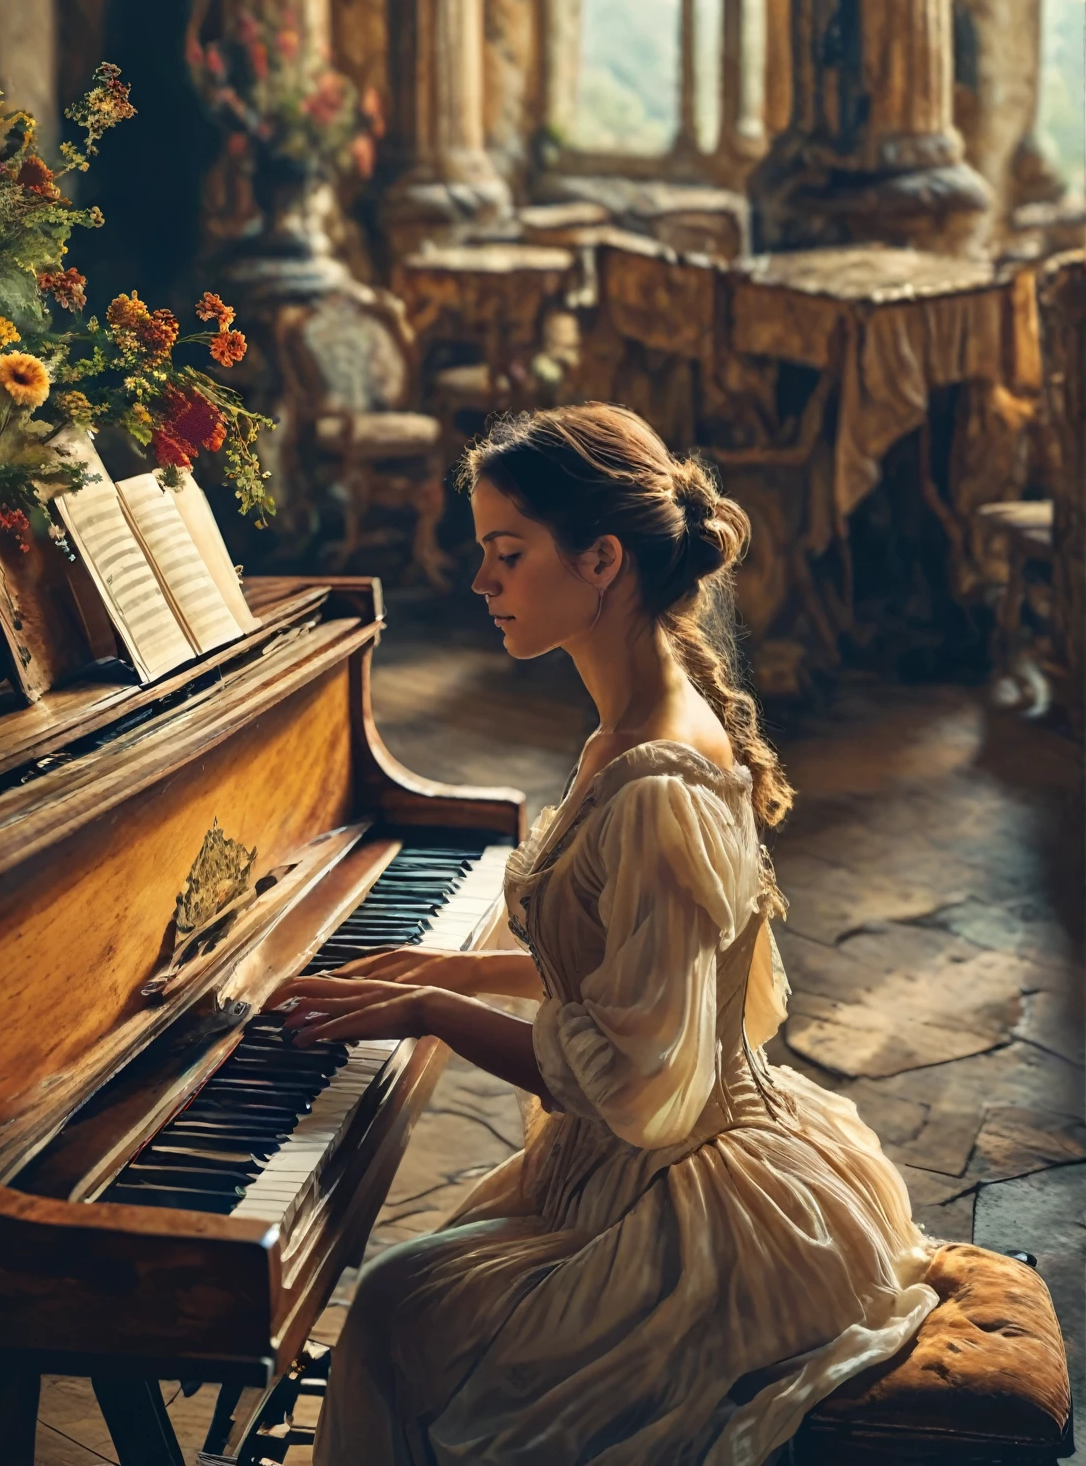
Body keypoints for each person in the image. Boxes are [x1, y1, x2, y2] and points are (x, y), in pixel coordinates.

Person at [272, 405, 938, 1465]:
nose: (480, 582)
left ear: (600, 560)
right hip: (640, 1156)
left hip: (688, 1199)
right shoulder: (628, 733)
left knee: (400, 1305)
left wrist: (432, 1010)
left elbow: (638, 1080)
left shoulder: (650, 778)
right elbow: (612, 965)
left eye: (505, 553)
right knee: (411, 1293)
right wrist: (442, 963)